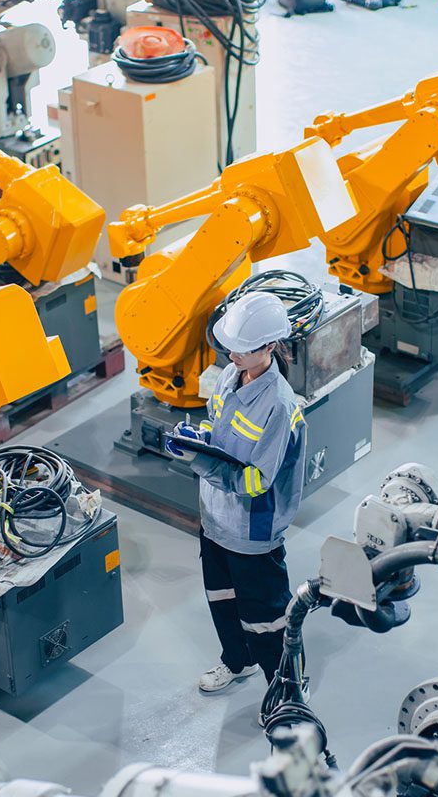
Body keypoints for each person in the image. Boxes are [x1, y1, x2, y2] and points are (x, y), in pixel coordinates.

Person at [165, 291, 307, 695]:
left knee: (267, 619)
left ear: (269, 347)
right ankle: (237, 659)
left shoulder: (279, 406)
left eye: (242, 350)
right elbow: (221, 431)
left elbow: (255, 482)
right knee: (222, 599)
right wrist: (200, 438)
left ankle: (287, 687)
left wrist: (199, 461)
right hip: (214, 521)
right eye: (231, 348)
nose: (232, 357)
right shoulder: (232, 376)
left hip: (252, 531)